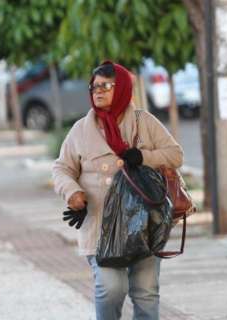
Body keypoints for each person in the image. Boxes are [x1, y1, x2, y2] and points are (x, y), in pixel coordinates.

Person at [52, 61, 183, 320]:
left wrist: (143, 157)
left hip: (145, 223)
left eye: (106, 86)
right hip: (101, 227)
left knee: (146, 294)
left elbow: (175, 155)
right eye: (94, 86)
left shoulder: (144, 122)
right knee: (111, 289)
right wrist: (73, 193)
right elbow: (61, 168)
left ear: (122, 88)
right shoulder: (81, 129)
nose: (97, 91)